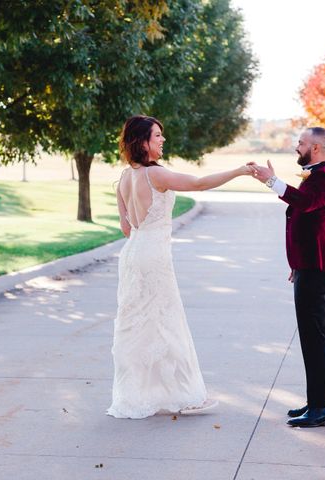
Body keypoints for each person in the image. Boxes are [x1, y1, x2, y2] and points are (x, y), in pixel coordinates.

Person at [107, 115, 254, 419]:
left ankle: (134, 396)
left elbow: (126, 227)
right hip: (154, 258)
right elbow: (199, 183)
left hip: (133, 254)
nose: (162, 141)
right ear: (142, 141)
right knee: (167, 322)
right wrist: (239, 171)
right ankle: (185, 396)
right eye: (157, 136)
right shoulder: (155, 175)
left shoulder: (124, 178)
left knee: (137, 324)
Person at [250, 127, 325, 427]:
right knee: (318, 337)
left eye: (301, 143)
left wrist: (271, 181)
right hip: (312, 266)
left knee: (314, 339)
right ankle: (321, 402)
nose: (296, 147)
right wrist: (296, 264)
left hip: (317, 270)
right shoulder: (316, 177)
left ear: (316, 148)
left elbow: (303, 204)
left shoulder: (324, 179)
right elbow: (307, 221)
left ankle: (322, 407)